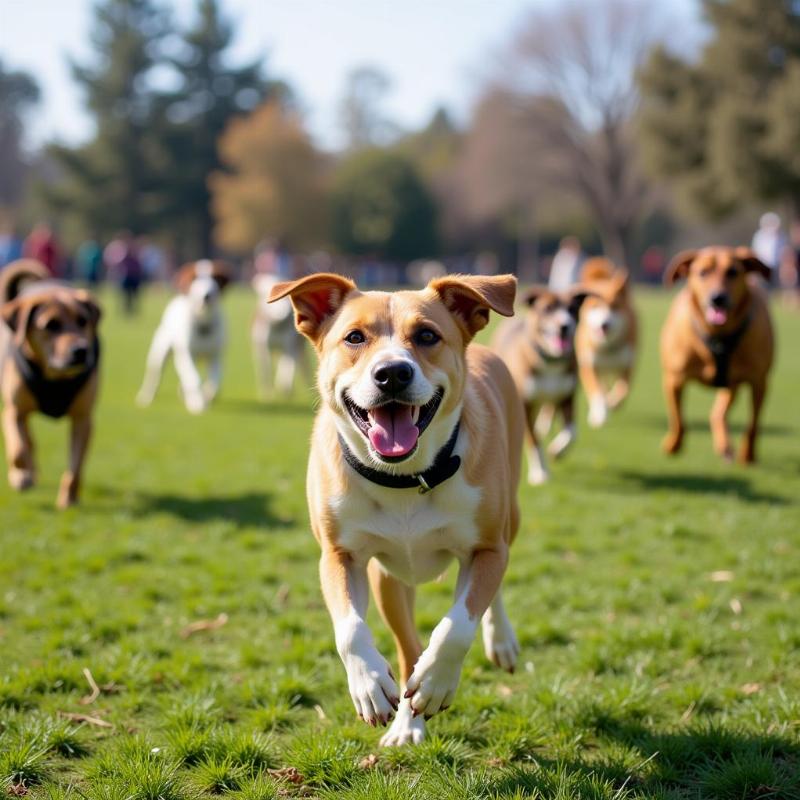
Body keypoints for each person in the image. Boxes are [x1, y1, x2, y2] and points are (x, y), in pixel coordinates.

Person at [104, 232, 143, 314]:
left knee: (134, 294)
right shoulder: (121, 250)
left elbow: (139, 262)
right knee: (124, 294)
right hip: (126, 275)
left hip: (134, 275)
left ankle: (132, 310)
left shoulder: (135, 249)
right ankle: (124, 310)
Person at [751, 212, 787, 283]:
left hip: (778, 267)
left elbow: (785, 252)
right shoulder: (759, 237)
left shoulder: (782, 236)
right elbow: (756, 253)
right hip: (763, 267)